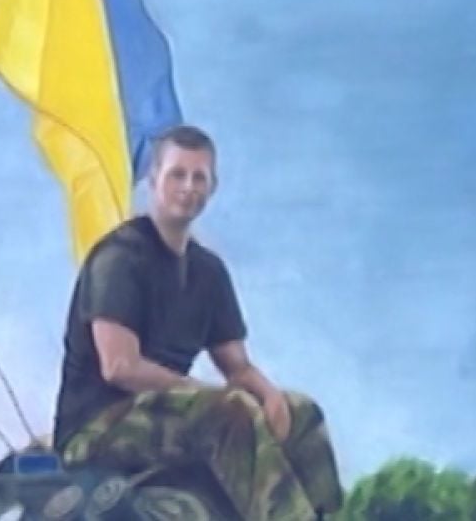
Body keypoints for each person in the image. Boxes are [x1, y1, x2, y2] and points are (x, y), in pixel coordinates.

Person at [51, 124, 344, 521]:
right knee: (229, 410)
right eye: (177, 174)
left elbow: (237, 367)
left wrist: (269, 396)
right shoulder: (119, 257)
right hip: (95, 428)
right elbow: (119, 366)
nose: (188, 187)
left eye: (199, 177)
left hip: (172, 414)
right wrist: (207, 394)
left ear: (212, 186)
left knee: (302, 413)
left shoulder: (209, 271)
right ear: (154, 179)